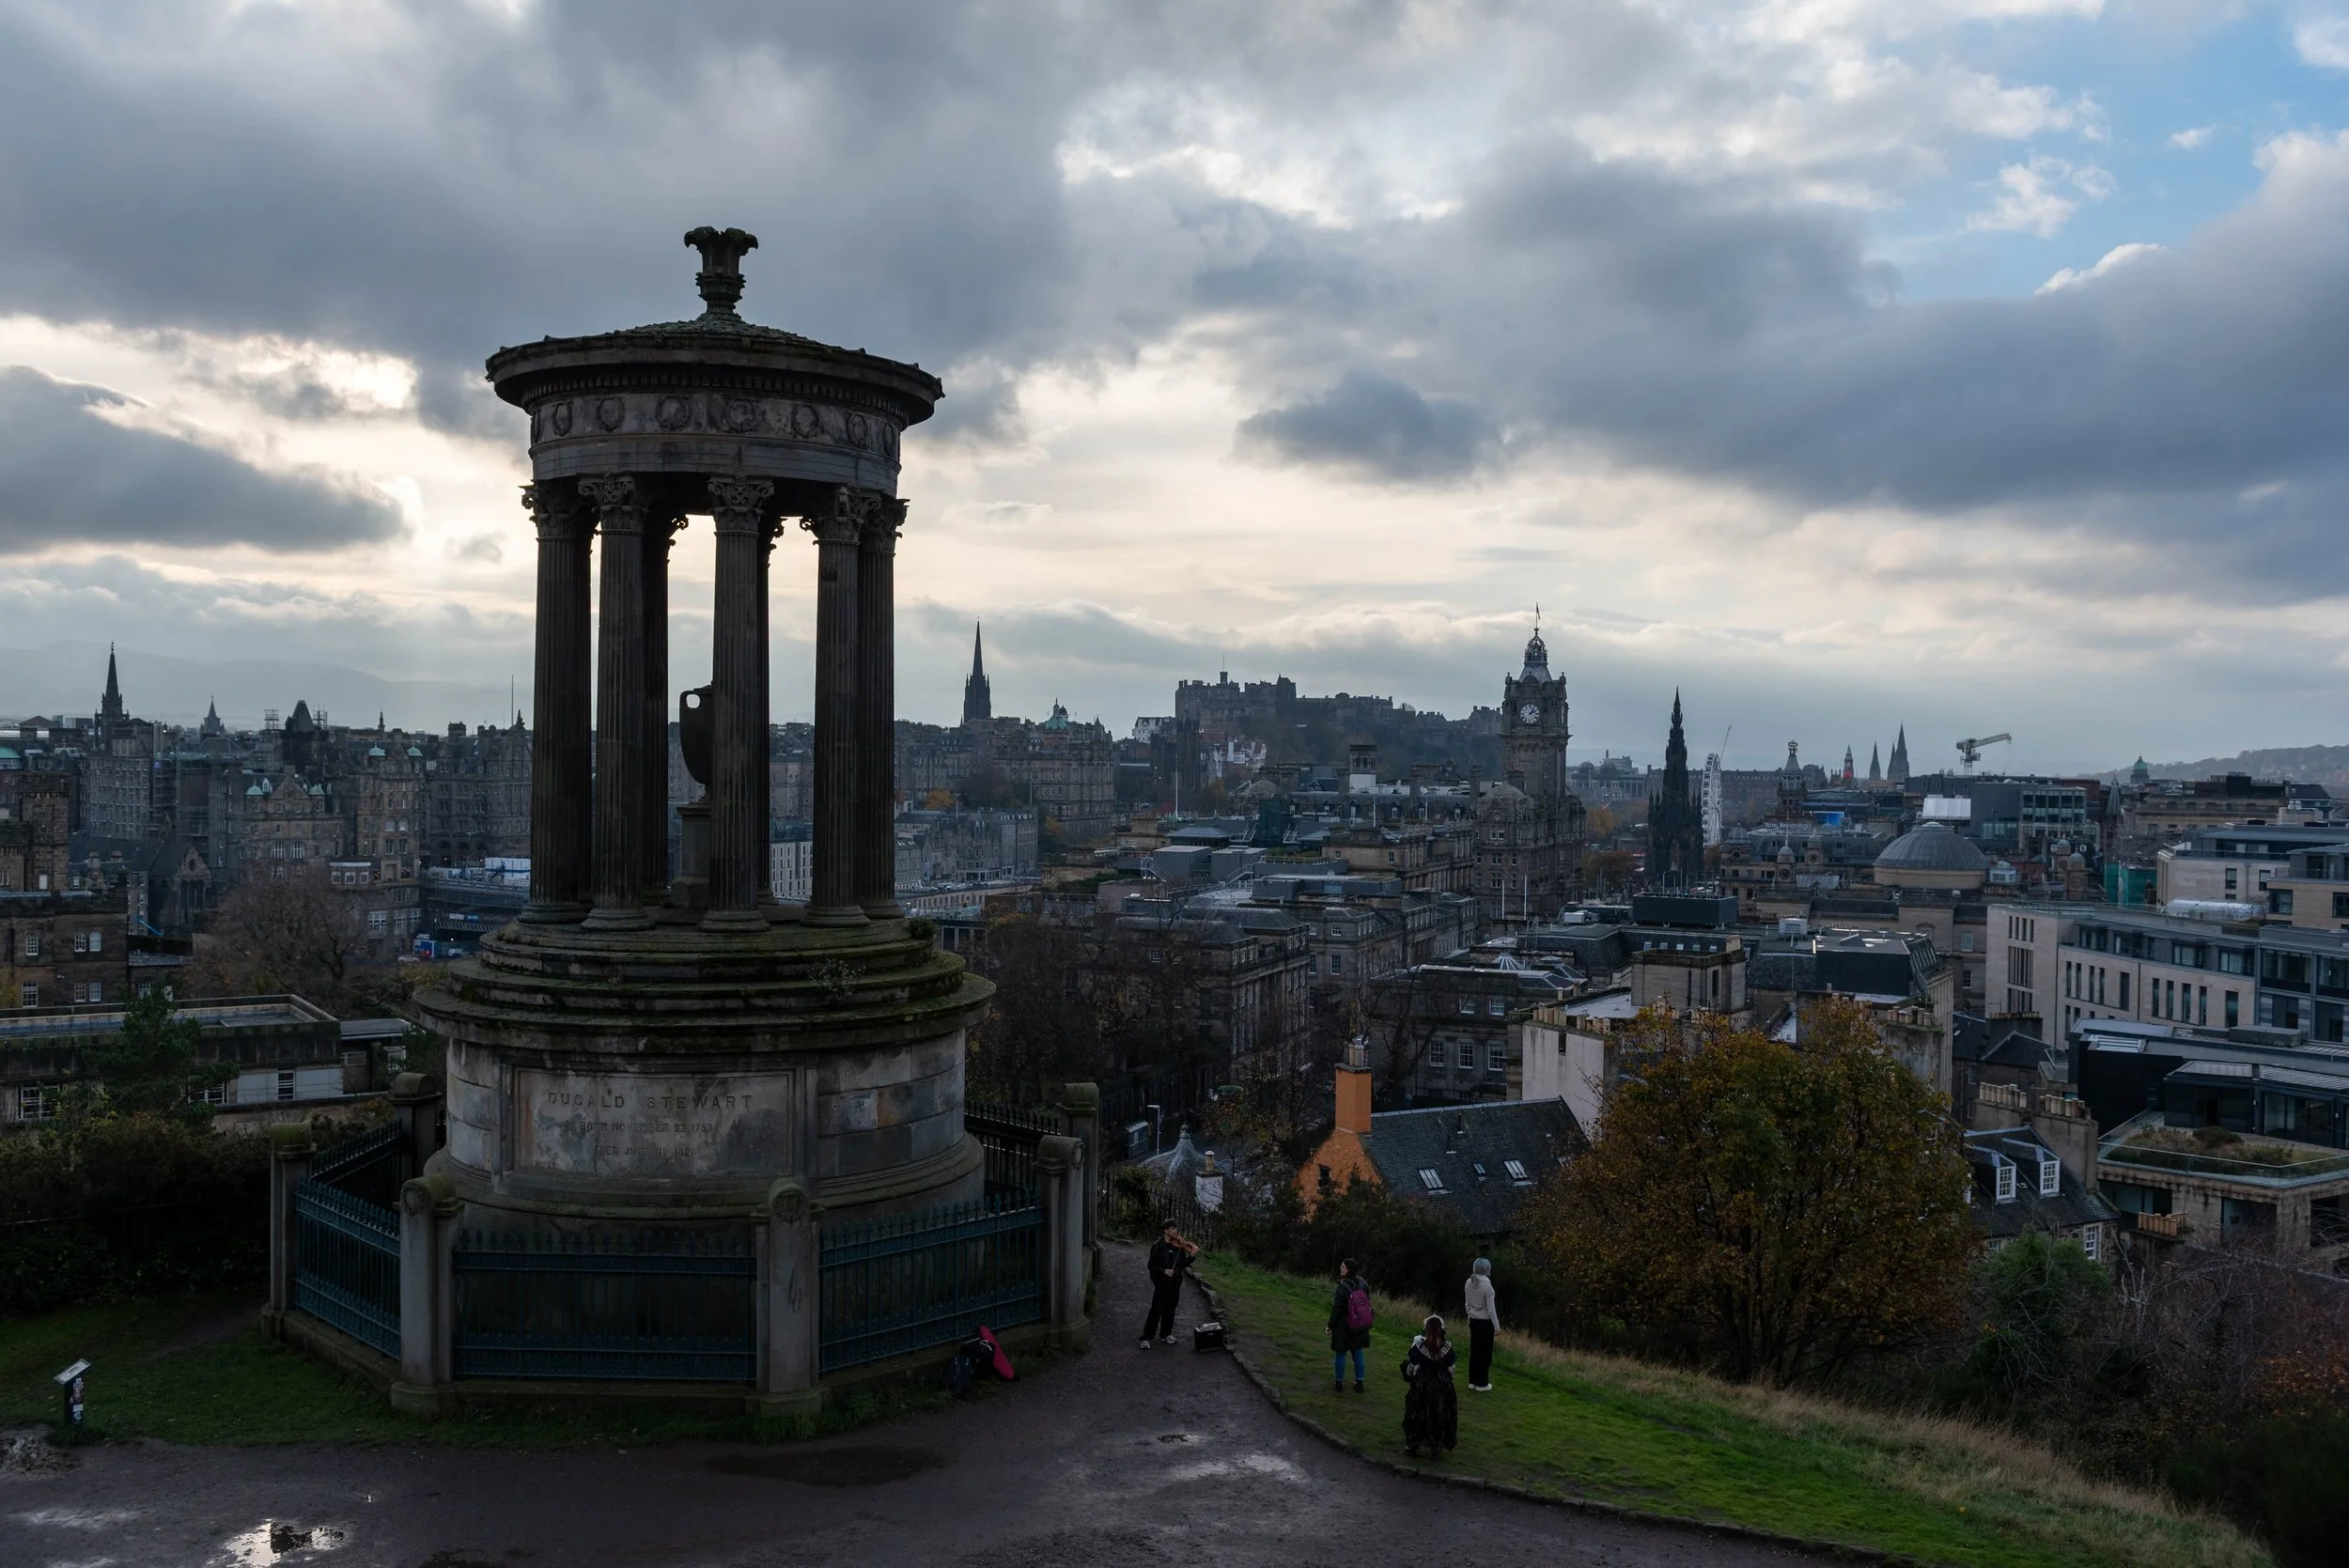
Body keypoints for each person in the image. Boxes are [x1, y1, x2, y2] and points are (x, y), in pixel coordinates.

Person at [1402, 1313, 1459, 1459]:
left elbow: (1411, 1369)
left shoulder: (1419, 1348)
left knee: (1416, 1415)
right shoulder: (1447, 1349)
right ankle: (1436, 1447)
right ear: (1441, 1330)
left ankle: (1413, 1445)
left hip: (1422, 1387)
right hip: (1443, 1388)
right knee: (1440, 1417)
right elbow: (1451, 1370)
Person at [1139, 1219, 1195, 1348]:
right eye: (1172, 1228)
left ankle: (1165, 1335)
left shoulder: (1179, 1246)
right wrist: (1163, 1270)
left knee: (1170, 1309)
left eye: (1176, 1228)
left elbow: (1181, 1264)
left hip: (1175, 1283)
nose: (1175, 1231)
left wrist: (1191, 1256)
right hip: (1161, 1283)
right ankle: (1146, 1338)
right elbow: (1151, 1266)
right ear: (1166, 1231)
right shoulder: (1158, 1246)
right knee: (1156, 1310)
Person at [1328, 1258, 1373, 1392]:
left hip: (1344, 1325)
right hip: (1360, 1324)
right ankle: (1359, 1383)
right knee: (1357, 1351)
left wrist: (1330, 1325)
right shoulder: (1363, 1283)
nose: (1340, 1268)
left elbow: (1337, 1310)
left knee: (1340, 1352)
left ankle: (1338, 1383)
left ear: (1348, 1270)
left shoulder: (1342, 1287)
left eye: (1342, 1267)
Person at [1463, 1257, 1500, 1391]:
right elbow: (1491, 1310)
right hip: (1485, 1323)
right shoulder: (1487, 1287)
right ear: (1487, 1270)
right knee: (1485, 1353)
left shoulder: (1468, 1282)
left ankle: (1472, 1381)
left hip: (1473, 1320)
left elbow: (1467, 1303)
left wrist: (1470, 1314)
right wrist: (1497, 1326)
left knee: (1475, 1351)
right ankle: (1482, 1383)